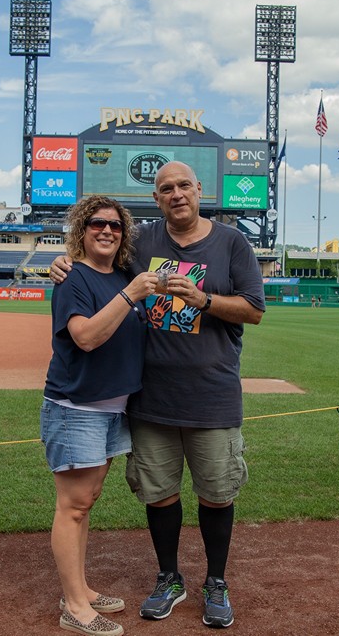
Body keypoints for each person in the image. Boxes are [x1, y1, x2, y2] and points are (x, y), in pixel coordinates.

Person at [52, 161, 266, 629]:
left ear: (199, 189)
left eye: (184, 185)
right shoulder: (141, 241)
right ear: (156, 198)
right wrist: (64, 262)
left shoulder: (232, 242)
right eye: (166, 188)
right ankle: (169, 577)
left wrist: (203, 300)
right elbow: (98, 265)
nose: (177, 194)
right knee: (159, 494)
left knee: (217, 494)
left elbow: (253, 310)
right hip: (150, 398)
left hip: (212, 395)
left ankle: (216, 581)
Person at [41, 196, 157, 636]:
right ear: (81, 230)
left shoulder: (123, 274)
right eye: (96, 223)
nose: (107, 230)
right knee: (73, 506)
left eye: (115, 225)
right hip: (76, 407)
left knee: (85, 503)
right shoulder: (73, 278)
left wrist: (131, 289)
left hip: (111, 409)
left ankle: (81, 590)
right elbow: (85, 337)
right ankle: (74, 607)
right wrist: (131, 295)